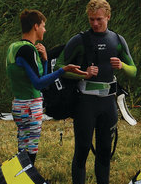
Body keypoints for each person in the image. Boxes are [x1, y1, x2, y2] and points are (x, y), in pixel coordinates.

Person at [58, 0, 137, 184]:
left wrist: (122, 65)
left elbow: (134, 69)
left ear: (108, 17)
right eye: (92, 19)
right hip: (85, 103)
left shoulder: (117, 39)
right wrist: (82, 74)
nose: (95, 23)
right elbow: (59, 66)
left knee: (104, 150)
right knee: (82, 149)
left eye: (99, 19)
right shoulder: (80, 40)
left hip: (108, 103)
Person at [5, 10, 85, 165]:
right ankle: (27, 180)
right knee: (31, 150)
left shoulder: (14, 47)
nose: (45, 30)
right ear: (35, 26)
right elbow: (39, 83)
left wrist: (45, 60)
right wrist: (63, 70)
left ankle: (20, 179)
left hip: (18, 104)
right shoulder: (28, 50)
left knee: (22, 148)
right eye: (43, 26)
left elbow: (38, 77)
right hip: (30, 105)